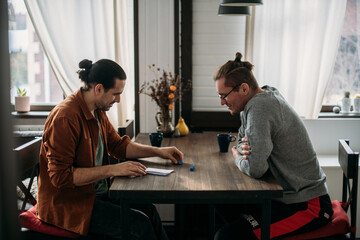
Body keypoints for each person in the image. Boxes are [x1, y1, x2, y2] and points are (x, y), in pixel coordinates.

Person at [37, 58, 183, 240]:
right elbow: (60, 177)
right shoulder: (65, 117)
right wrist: (114, 169)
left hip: (94, 195)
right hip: (70, 205)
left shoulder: (97, 111)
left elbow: (118, 146)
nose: (118, 99)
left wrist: (158, 152)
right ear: (99, 89)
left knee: (149, 211)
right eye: (116, 94)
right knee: (139, 224)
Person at [213, 53, 333, 240]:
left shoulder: (261, 108)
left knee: (226, 236)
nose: (221, 102)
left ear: (243, 88)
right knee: (218, 205)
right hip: (286, 198)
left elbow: (255, 168)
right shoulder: (258, 99)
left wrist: (237, 156)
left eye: (223, 95)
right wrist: (243, 148)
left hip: (308, 205)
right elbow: (242, 139)